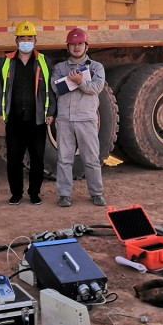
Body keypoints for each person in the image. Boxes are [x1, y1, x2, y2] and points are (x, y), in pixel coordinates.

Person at [0, 21, 56, 205]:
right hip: (14, 120)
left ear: (35, 40)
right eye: (22, 38)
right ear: (16, 41)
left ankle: (34, 193)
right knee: (14, 160)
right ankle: (16, 194)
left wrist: (51, 111)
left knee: (37, 159)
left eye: (29, 38)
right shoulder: (7, 62)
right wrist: (2, 112)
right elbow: (1, 89)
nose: (26, 41)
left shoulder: (44, 62)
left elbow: (51, 89)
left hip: (37, 119)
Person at [51, 28, 106, 207]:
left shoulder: (96, 67)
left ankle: (96, 193)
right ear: (68, 47)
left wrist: (80, 81)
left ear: (86, 46)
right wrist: (77, 82)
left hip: (86, 119)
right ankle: (64, 195)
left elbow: (96, 88)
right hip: (65, 120)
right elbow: (56, 87)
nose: (76, 47)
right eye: (73, 44)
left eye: (80, 43)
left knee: (91, 159)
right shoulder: (60, 68)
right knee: (64, 159)